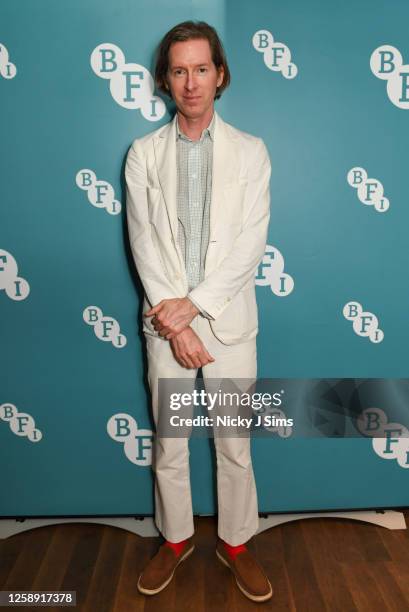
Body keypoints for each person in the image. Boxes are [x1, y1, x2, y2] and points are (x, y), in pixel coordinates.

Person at [125, 20, 273, 603]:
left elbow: (250, 246)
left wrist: (196, 309)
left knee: (234, 442)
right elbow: (143, 241)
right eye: (180, 70)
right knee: (170, 442)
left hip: (229, 324)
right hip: (166, 327)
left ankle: (236, 545)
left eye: (202, 69)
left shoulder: (252, 152)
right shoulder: (142, 154)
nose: (191, 82)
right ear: (166, 80)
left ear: (220, 75)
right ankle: (176, 538)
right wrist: (175, 319)